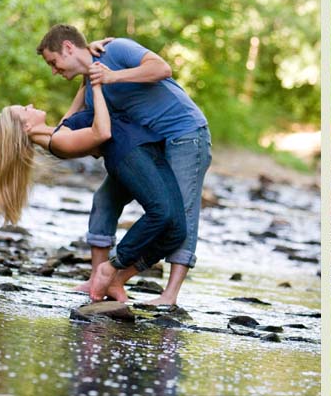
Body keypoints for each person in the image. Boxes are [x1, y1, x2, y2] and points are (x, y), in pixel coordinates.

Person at [36, 25, 211, 306]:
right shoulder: (92, 89)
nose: (53, 71)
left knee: (181, 213)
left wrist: (112, 76)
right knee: (105, 198)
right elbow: (76, 120)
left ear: (68, 47)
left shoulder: (116, 49)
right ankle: (98, 277)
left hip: (184, 134)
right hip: (147, 146)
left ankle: (169, 295)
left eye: (53, 62)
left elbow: (162, 68)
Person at [0, 68, 187, 301]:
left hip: (145, 146)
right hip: (129, 152)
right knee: (161, 213)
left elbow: (81, 97)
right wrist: (98, 86)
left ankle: (116, 278)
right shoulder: (58, 141)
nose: (30, 105)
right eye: (25, 110)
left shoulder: (57, 130)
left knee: (177, 231)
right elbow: (102, 131)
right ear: (25, 128)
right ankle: (112, 266)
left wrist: (89, 66)